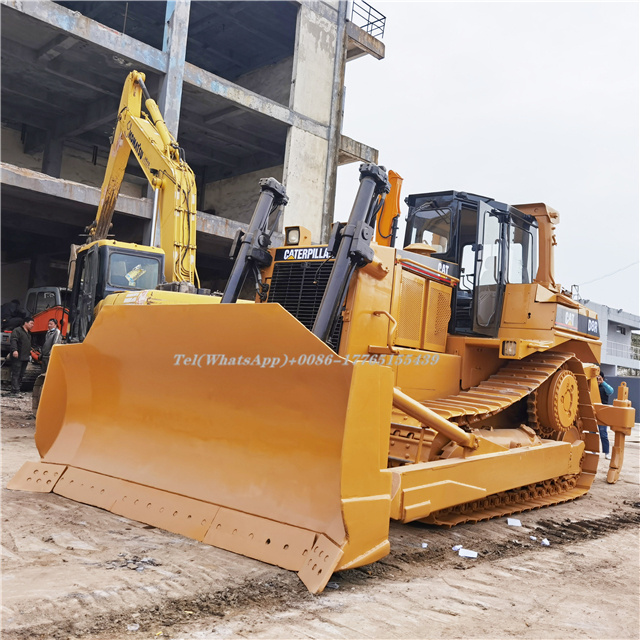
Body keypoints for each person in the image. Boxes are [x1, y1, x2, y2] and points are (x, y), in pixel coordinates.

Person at [9, 316, 34, 395]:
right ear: (25, 323)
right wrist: (14, 350)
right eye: (31, 323)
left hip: (25, 357)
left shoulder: (28, 333)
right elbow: (14, 340)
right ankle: (14, 391)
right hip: (18, 356)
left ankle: (18, 389)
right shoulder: (17, 330)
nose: (32, 325)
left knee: (21, 374)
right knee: (16, 373)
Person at [597, 373, 614, 460]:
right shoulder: (592, 386)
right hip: (593, 411)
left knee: (603, 434)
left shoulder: (604, 387)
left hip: (603, 412)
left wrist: (602, 382)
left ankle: (607, 452)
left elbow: (611, 391)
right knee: (592, 433)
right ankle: (593, 451)